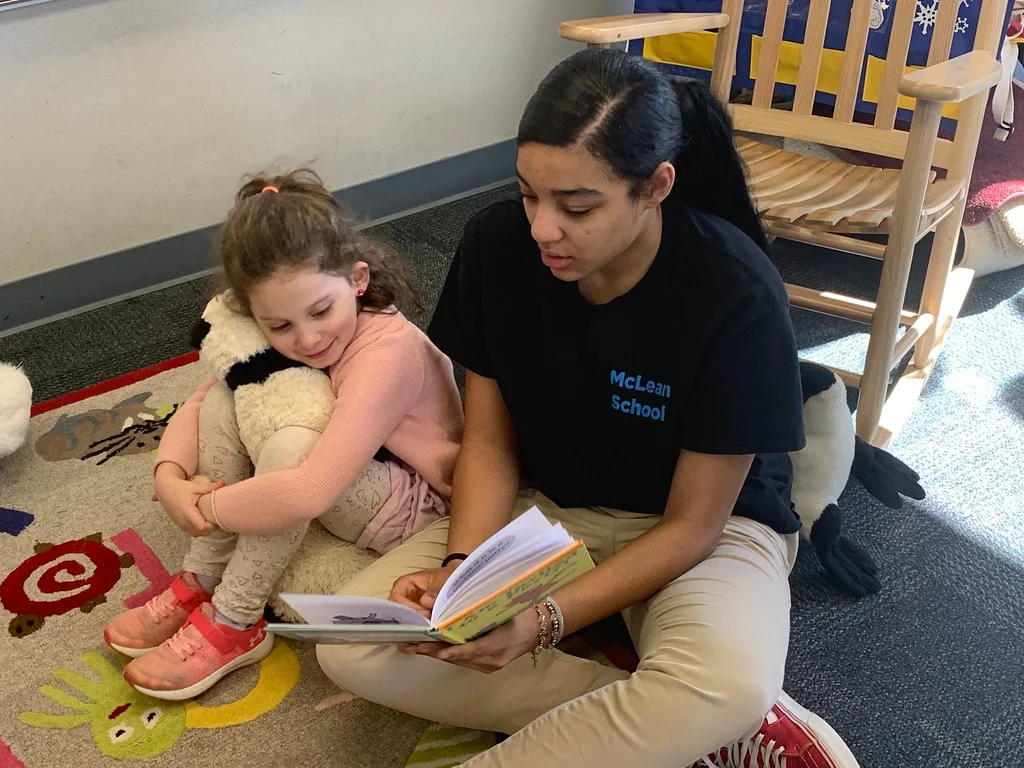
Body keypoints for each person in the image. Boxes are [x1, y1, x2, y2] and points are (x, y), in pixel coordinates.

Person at [316, 49, 861, 767]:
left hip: (701, 528)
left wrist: (542, 621)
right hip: (544, 514)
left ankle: (695, 714)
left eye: (576, 207)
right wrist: (461, 572)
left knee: (729, 681)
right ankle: (674, 723)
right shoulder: (496, 245)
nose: (544, 229)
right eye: (528, 195)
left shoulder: (733, 290)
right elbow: (487, 443)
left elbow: (693, 526)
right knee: (351, 649)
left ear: (655, 187)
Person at [103, 170, 463, 701]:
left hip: (417, 510)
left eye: (322, 311)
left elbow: (311, 488)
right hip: (357, 479)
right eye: (280, 327)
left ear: (358, 279)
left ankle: (236, 618)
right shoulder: (280, 317)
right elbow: (204, 399)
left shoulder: (388, 352)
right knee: (236, 393)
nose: (309, 338)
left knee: (294, 444)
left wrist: (211, 507)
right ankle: (203, 576)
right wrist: (172, 477)